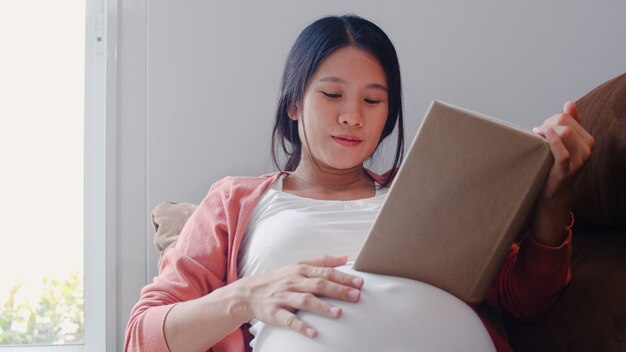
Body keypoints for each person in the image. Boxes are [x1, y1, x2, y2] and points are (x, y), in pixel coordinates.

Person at [125, 15, 594, 352]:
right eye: (332, 94)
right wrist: (247, 296)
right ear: (293, 104)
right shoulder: (237, 201)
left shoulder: (426, 188)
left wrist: (554, 195)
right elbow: (142, 336)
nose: (352, 115)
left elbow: (528, 303)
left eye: (374, 100)